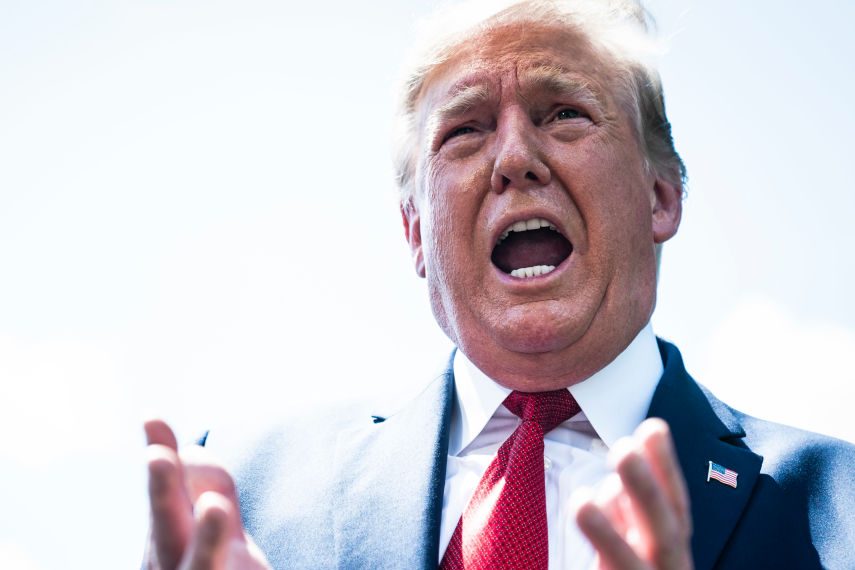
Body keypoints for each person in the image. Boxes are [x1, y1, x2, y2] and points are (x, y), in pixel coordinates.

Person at [143, 1, 855, 568]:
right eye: (465, 130)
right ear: (415, 232)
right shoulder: (240, 496)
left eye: (564, 113)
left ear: (661, 195)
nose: (514, 157)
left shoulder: (839, 508)